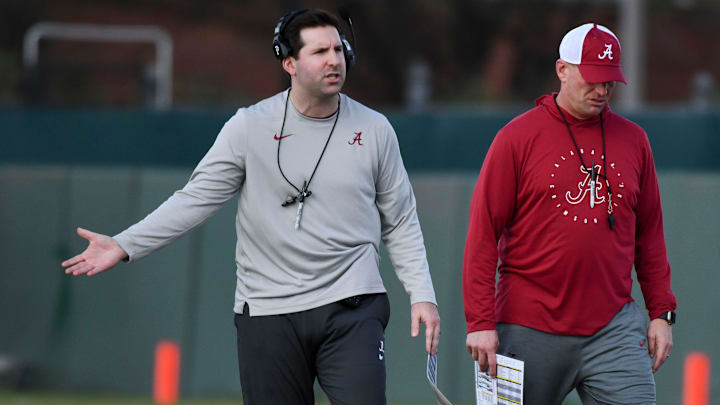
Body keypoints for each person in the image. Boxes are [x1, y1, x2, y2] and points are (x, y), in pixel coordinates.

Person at [61, 9, 440, 405]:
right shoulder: (249, 126)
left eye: (338, 49)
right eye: (319, 51)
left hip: (352, 306)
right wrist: (125, 244)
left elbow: (399, 221)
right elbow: (195, 198)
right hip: (267, 310)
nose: (334, 59)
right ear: (289, 63)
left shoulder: (376, 129)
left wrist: (423, 294)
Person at [463, 23, 676, 404]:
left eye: (610, 82)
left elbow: (650, 235)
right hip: (527, 326)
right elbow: (482, 234)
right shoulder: (516, 138)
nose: (602, 91)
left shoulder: (634, 140)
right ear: (562, 70)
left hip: (613, 327)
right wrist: (480, 322)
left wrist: (661, 312)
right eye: (592, 79)